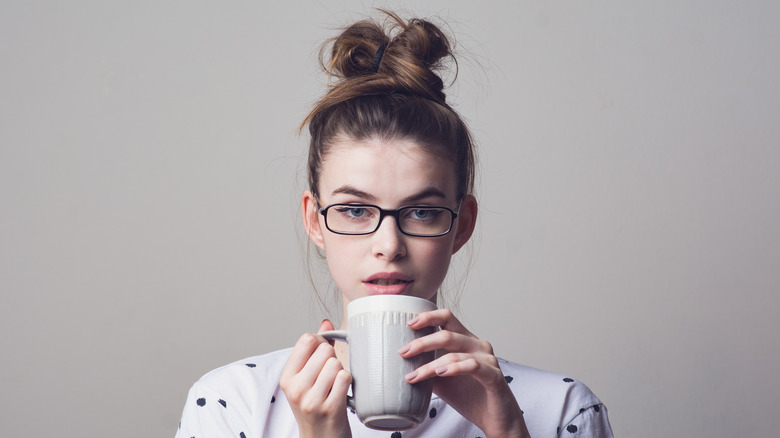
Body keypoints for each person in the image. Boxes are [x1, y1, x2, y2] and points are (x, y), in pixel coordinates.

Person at [175, 11, 613, 438]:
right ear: (315, 220)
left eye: (421, 212)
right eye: (355, 210)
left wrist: (508, 432)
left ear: (462, 225)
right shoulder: (232, 404)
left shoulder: (560, 410)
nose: (389, 245)